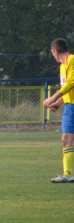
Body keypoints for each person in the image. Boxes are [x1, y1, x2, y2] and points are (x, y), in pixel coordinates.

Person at [43, 38, 74, 183]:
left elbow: (71, 83)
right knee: (66, 139)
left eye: (52, 52)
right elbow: (67, 89)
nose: (52, 55)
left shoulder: (72, 60)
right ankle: (67, 174)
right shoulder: (62, 66)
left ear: (55, 51)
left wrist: (52, 98)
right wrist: (57, 103)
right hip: (69, 107)